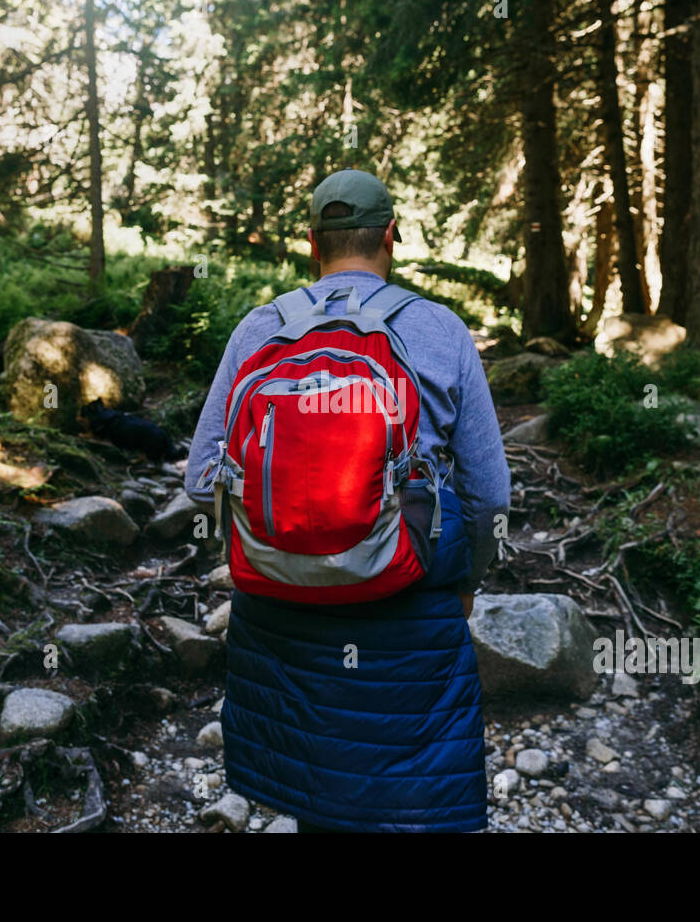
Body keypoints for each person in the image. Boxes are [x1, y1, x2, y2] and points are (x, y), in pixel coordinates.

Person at [184, 169, 511, 832]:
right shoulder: (440, 330)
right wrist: (468, 578)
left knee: (319, 801)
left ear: (312, 243)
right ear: (392, 235)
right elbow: (489, 494)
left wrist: (283, 534)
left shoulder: (260, 329)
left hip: (281, 626)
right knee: (411, 801)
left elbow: (200, 479)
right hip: (406, 613)